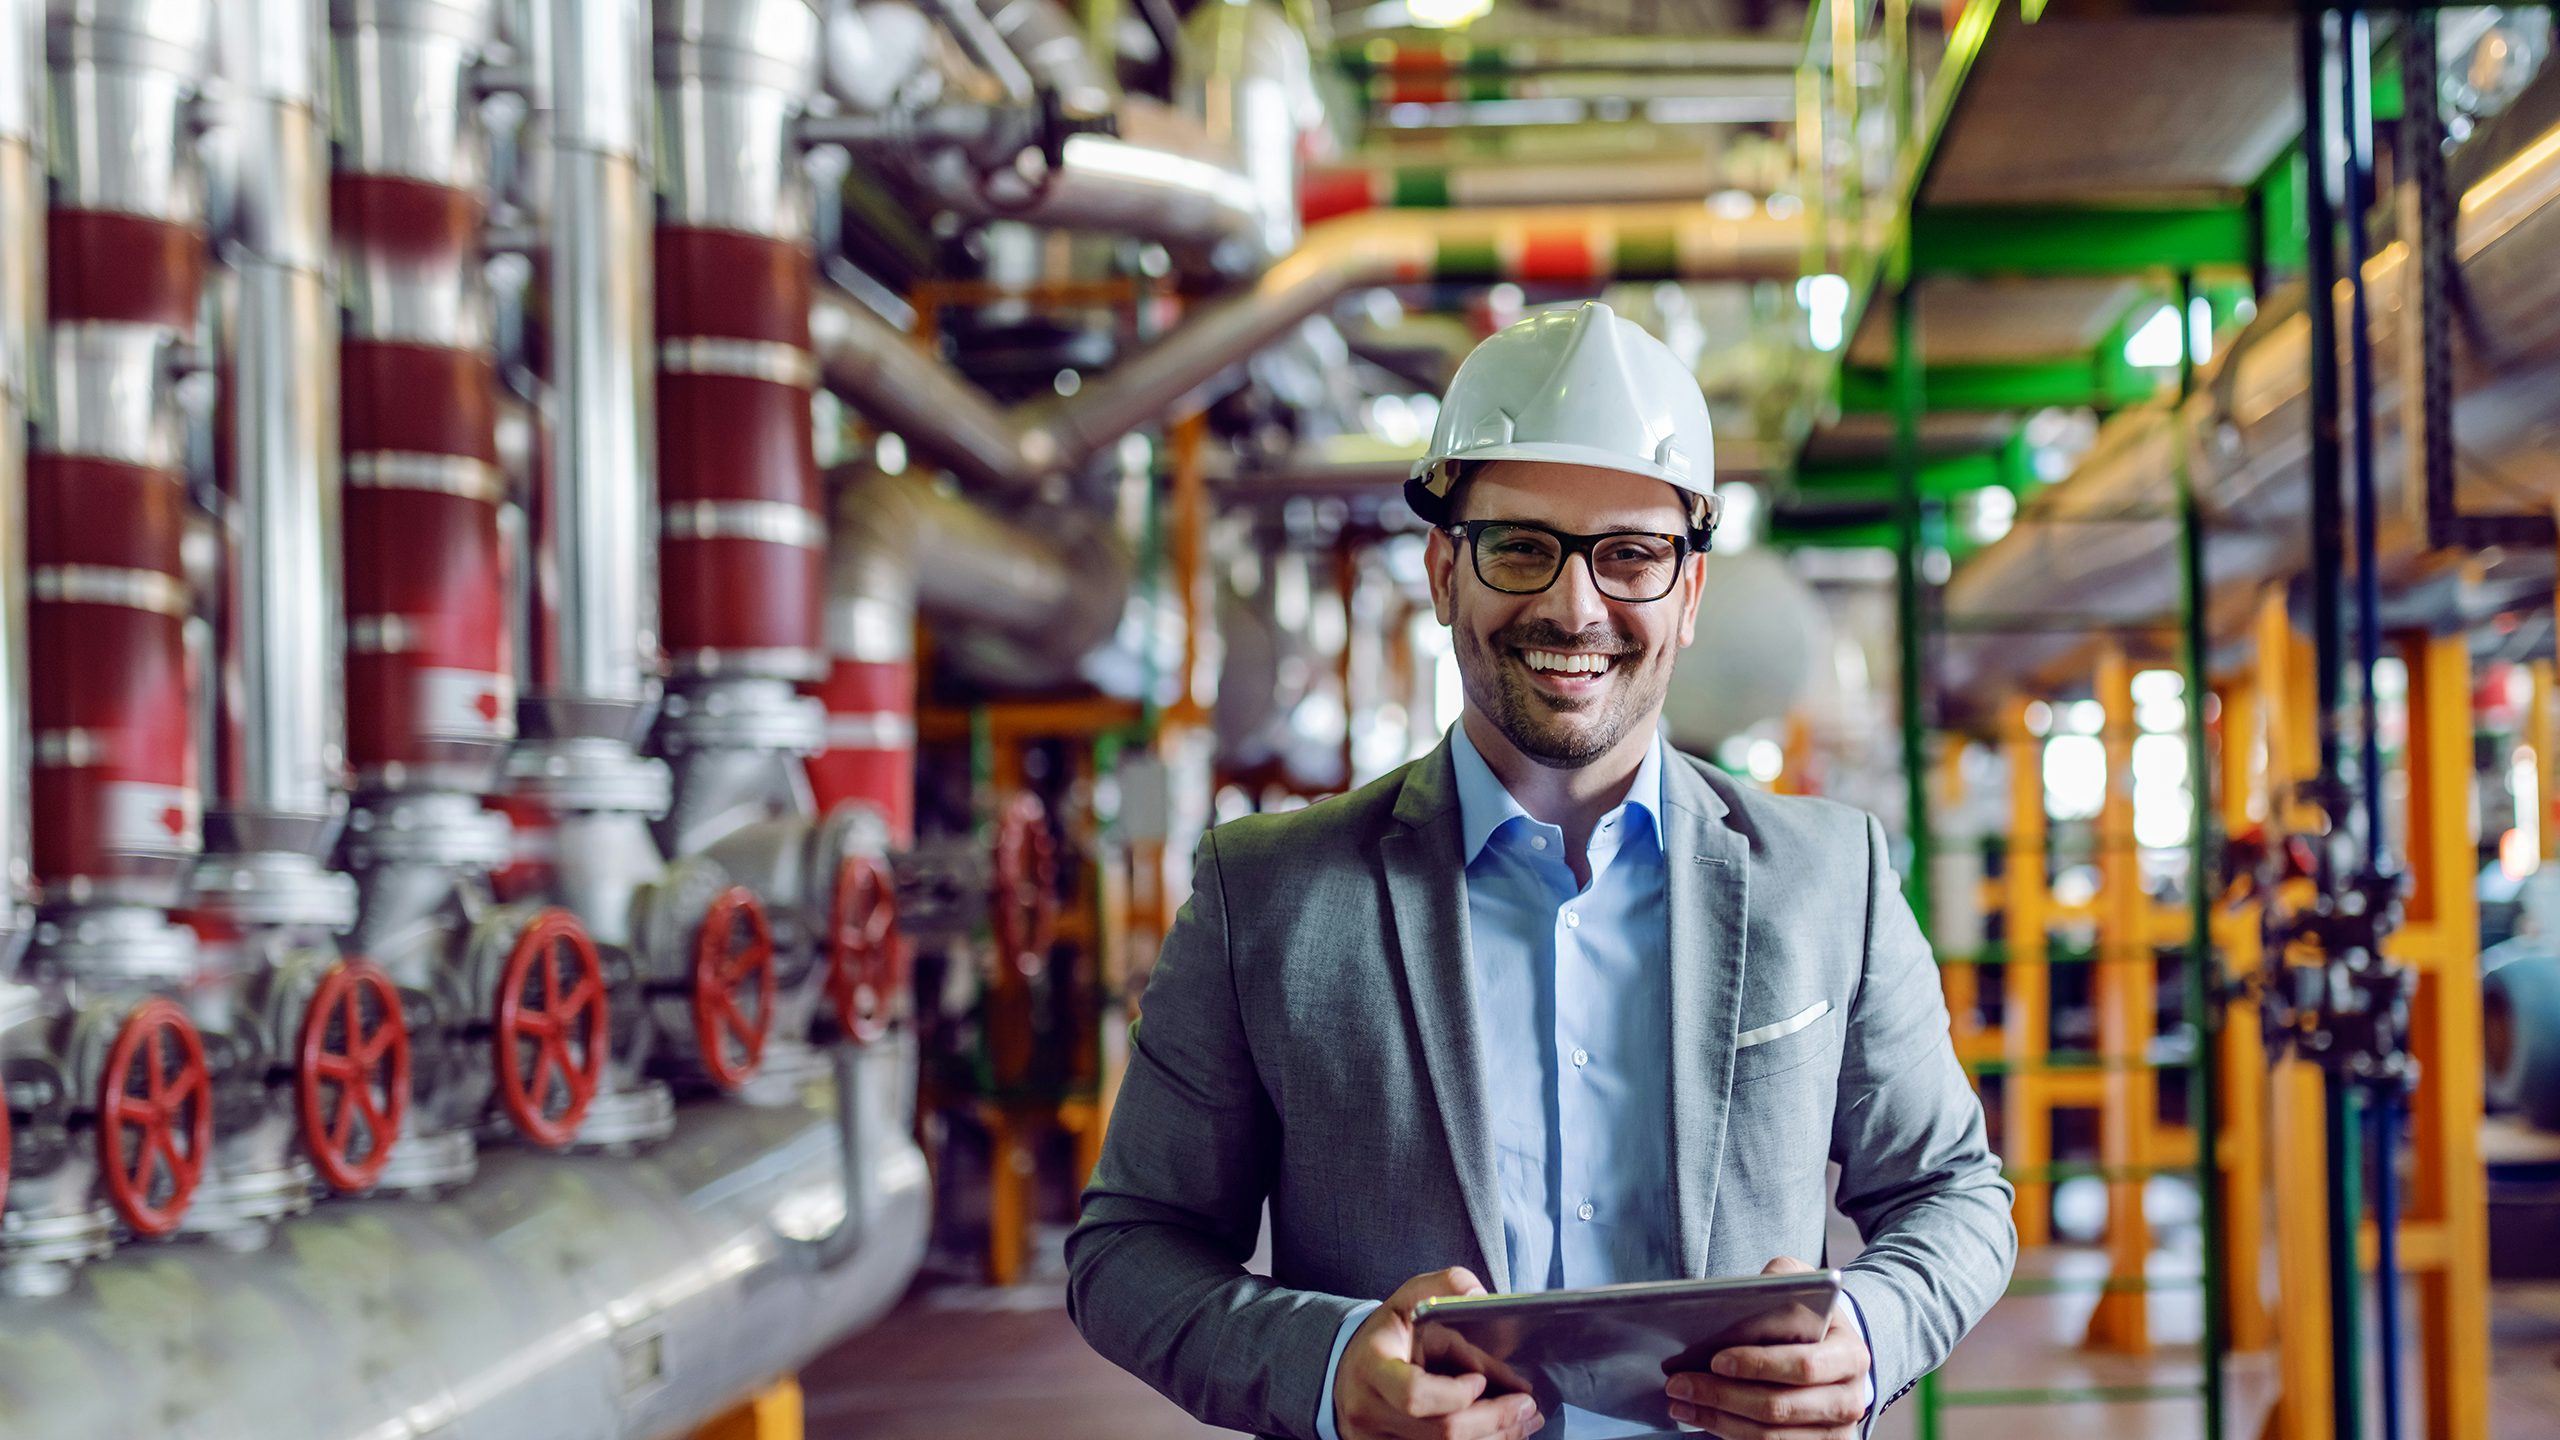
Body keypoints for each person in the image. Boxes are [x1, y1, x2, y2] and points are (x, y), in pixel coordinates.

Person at [1067, 301, 2016, 1440]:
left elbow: (1953, 1194)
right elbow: (1128, 1249)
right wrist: (1329, 1376)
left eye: (1631, 555)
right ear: (1441, 571)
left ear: (1691, 593)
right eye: (1521, 546)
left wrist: (1869, 1332)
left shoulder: (1827, 878)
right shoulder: (1264, 897)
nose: (1575, 606)